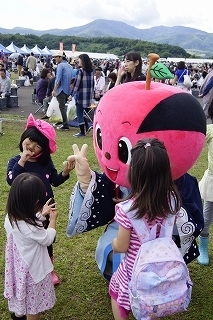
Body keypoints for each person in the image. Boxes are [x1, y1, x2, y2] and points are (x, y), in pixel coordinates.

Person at [109, 138, 181, 320]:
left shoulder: (128, 210)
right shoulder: (171, 201)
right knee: (152, 302)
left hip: (135, 270)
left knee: (117, 295)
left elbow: (122, 246)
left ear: (134, 173)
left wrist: (114, 244)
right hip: (163, 270)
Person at [6, 113, 75, 287]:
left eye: (37, 147)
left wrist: (65, 173)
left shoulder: (45, 161)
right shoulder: (16, 161)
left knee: (46, 239)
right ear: (23, 139)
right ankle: (27, 266)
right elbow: (12, 180)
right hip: (26, 210)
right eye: (29, 142)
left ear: (43, 149)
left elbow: (54, 181)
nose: (32, 148)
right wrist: (23, 159)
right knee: (29, 240)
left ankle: (48, 268)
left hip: (46, 207)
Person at [4, 172, 57, 320]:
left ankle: (17, 316)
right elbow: (47, 239)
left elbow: (27, 226)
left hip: (19, 268)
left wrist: (40, 215)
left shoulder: (10, 217)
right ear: (33, 202)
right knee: (33, 308)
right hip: (32, 272)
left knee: (21, 297)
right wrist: (52, 220)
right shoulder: (31, 227)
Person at [198, 123, 213, 265]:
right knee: (207, 218)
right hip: (212, 182)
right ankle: (203, 248)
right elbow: (196, 141)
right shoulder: (211, 129)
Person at [69, 53, 94, 137]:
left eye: (79, 60)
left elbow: (76, 84)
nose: (77, 61)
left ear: (82, 61)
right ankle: (86, 127)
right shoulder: (91, 71)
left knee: (79, 113)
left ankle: (82, 132)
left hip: (81, 96)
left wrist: (71, 95)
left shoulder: (81, 71)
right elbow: (92, 84)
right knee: (83, 113)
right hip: (88, 96)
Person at [52, 50, 73, 130]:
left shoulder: (60, 66)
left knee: (62, 107)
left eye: (56, 57)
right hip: (67, 90)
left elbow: (58, 79)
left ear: (61, 57)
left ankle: (65, 124)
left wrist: (54, 90)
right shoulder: (70, 66)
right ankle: (64, 122)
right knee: (63, 107)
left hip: (61, 89)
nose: (55, 59)